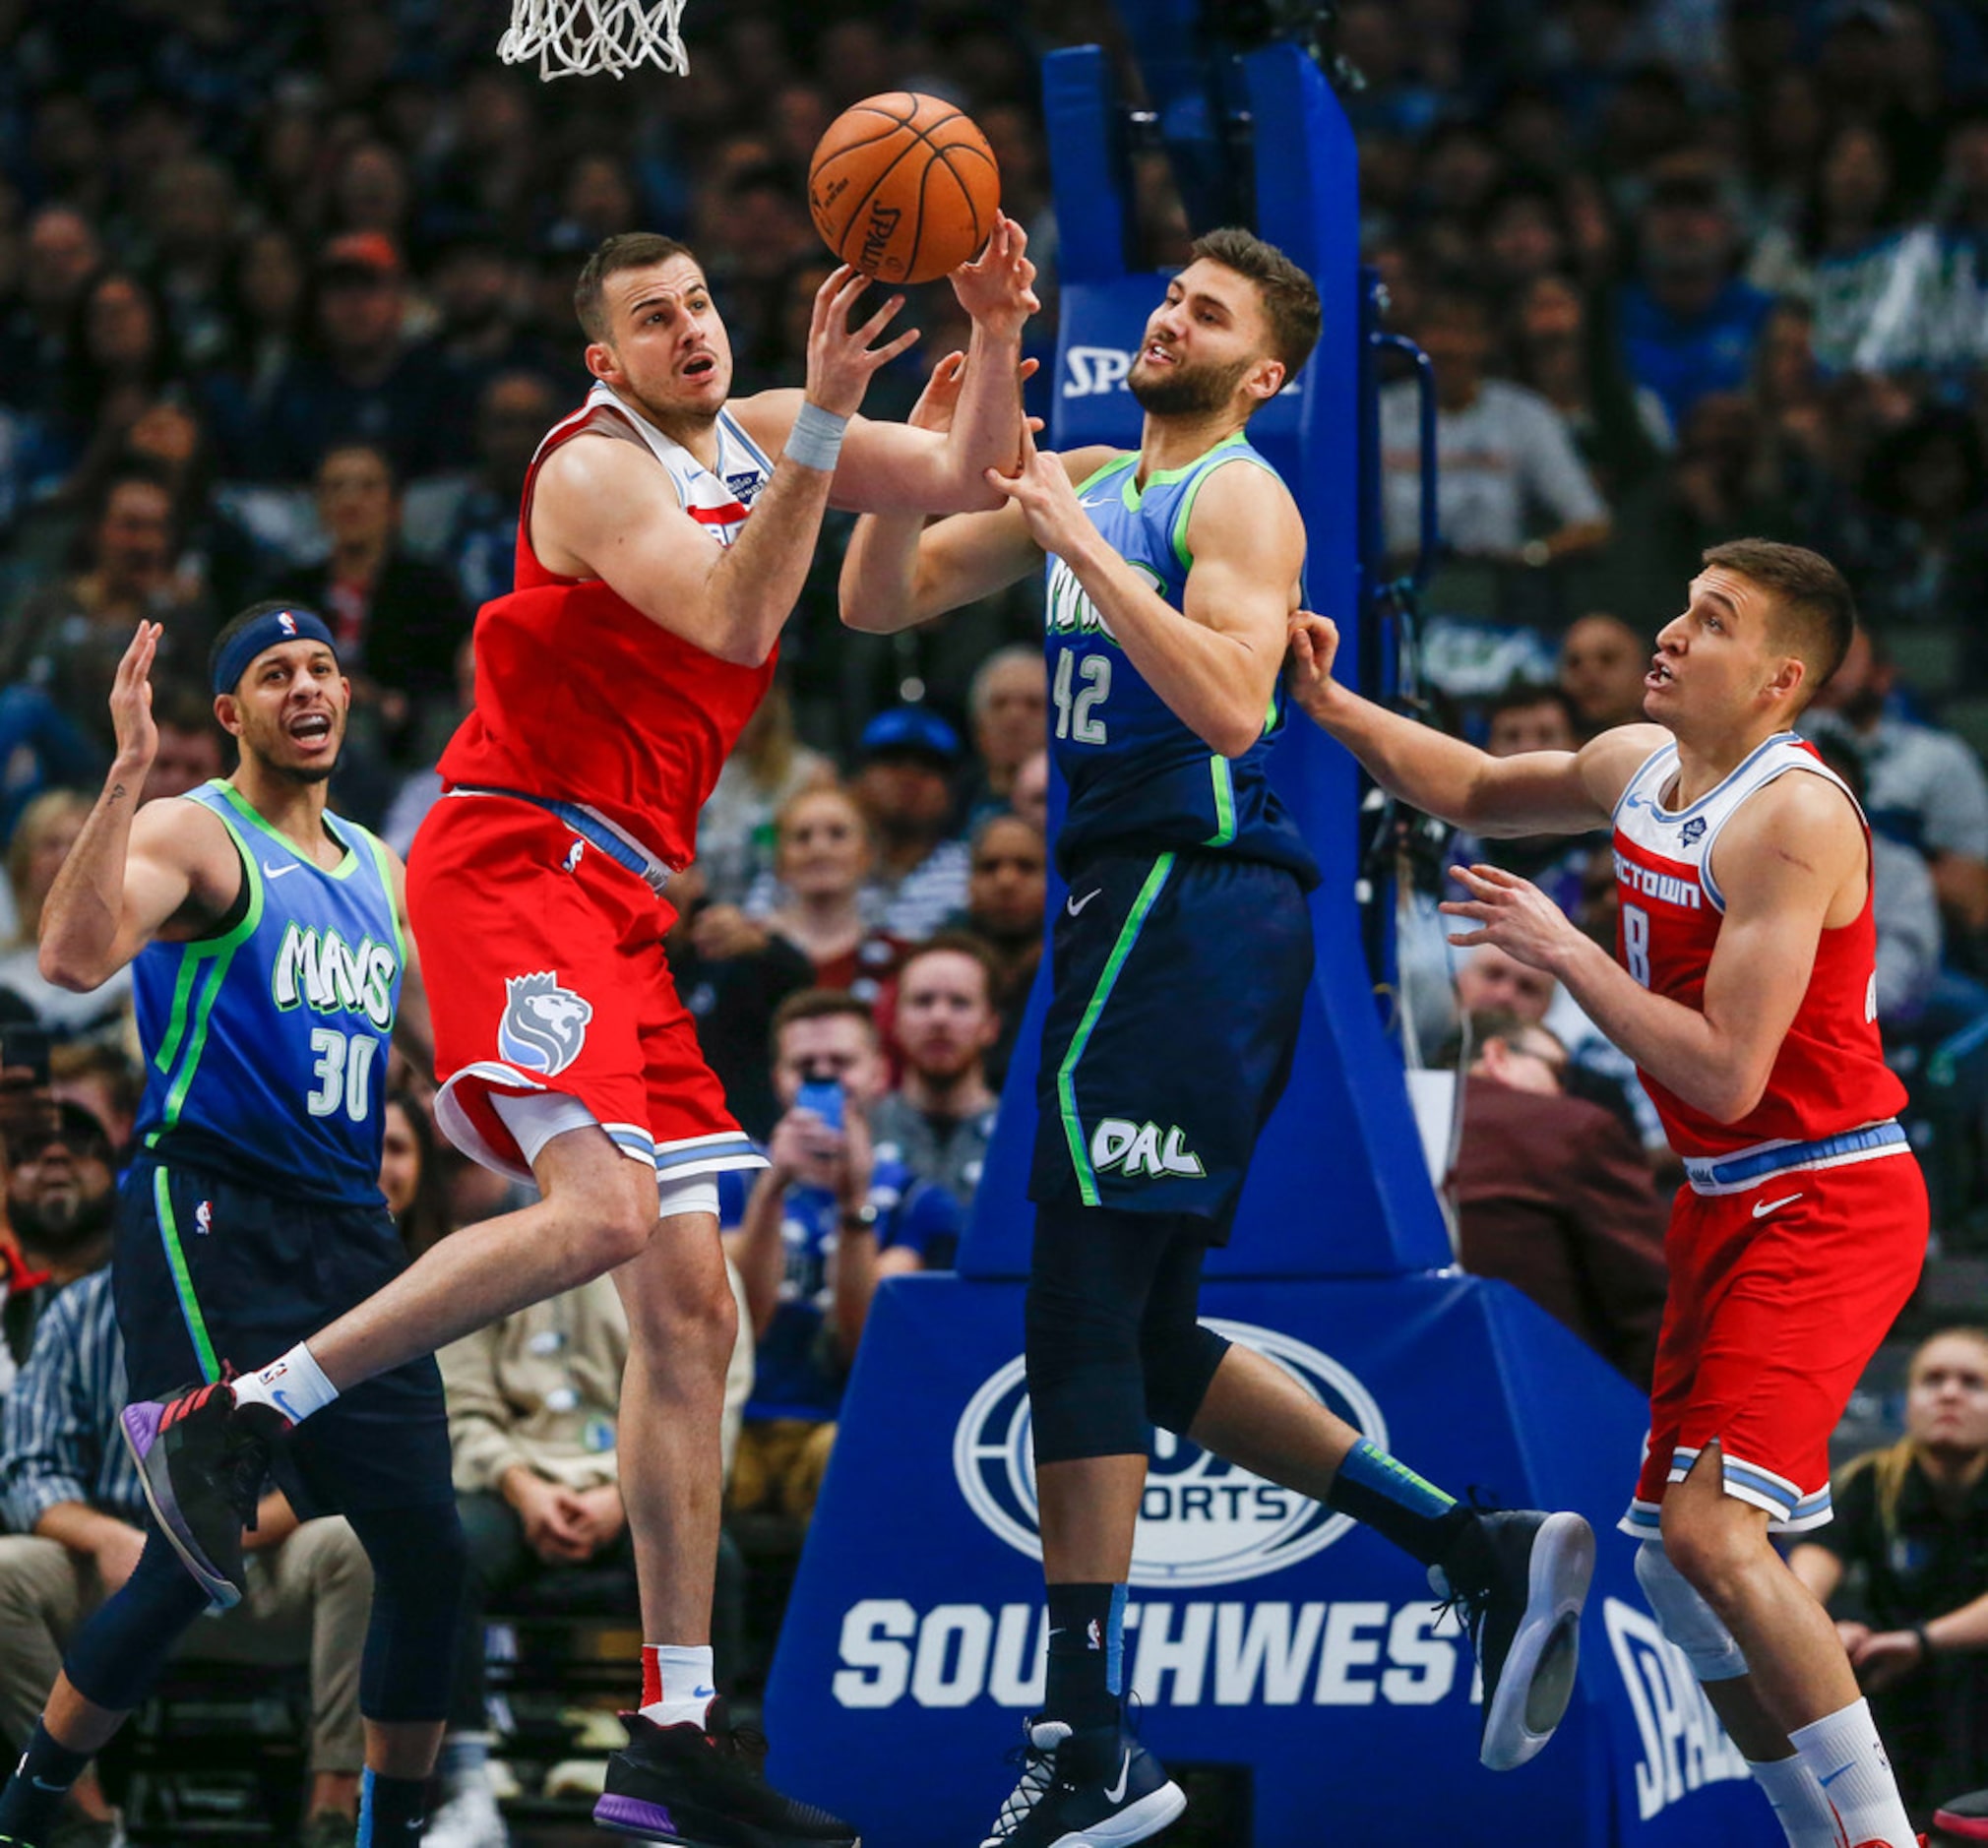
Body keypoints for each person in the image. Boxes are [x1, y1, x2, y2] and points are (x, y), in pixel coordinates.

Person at [125, 219, 1037, 1848]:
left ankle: (675, 1729)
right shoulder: (595, 470)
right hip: (511, 862)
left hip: (621, 901)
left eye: (698, 302)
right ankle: (244, 1406)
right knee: (609, 1211)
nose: (690, 331)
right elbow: (743, 622)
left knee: (691, 1309)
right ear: (603, 358)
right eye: (651, 318)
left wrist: (995, 320)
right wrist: (822, 420)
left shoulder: (760, 425)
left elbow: (975, 476)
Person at [839, 224, 1593, 1848]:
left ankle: (1090, 1731)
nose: (1171, 308)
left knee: (1075, 1309)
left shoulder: (1231, 494)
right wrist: (941, 431)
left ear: (1261, 371)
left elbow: (1239, 706)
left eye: (1209, 307)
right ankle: (1474, 1542)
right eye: (1171, 289)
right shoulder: (1094, 462)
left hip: (1191, 896)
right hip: (1130, 910)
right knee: (1145, 1331)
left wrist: (1072, 541)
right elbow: (876, 595)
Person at [1290, 536, 1930, 1848]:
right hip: (1721, 1196)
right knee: (1671, 1571)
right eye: (1683, 606)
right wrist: (1330, 702)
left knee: (1709, 1535)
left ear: (1780, 677)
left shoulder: (1792, 815)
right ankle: (1814, 1833)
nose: (1673, 632)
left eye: (1713, 619)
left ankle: (1879, 1836)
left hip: (1825, 1191)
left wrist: (1566, 950)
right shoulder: (1636, 768)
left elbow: (1732, 1072)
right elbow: (1468, 784)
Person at [0, 606, 465, 1848]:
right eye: (273, 674)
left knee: (430, 1552)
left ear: (347, 697)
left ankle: (390, 1827)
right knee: (196, 1543)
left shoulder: (380, 866)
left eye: (321, 669)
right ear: (232, 714)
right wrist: (122, 774)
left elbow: (449, 1064)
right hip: (210, 1209)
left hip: (351, 1230)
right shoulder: (192, 829)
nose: (304, 687)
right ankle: (36, 1804)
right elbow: (70, 953)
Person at [0, 1264, 378, 1848]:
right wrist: (106, 1540)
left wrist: (203, 1535)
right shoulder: (79, 1310)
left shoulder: (292, 1301)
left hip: (255, 1563)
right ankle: (84, 1819)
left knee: (353, 1544)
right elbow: (27, 1470)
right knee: (5, 1571)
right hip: (115, 1568)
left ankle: (333, 1811)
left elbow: (334, 1468)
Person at [723, 990, 960, 1522]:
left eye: (841, 1063)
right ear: (779, 1078)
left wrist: (855, 1204)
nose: (823, 1077)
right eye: (805, 1065)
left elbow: (861, 1344)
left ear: (879, 1074)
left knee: (852, 1459)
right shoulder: (729, 1185)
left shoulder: (919, 1203)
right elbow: (737, 1329)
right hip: (732, 1420)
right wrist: (773, 1190)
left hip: (843, 1425)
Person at [1786, 1328, 1988, 1832]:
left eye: (1972, 1382)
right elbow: (1798, 1589)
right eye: (1932, 1380)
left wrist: (1919, 1641)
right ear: (1908, 1401)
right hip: (1891, 1718)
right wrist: (1825, 1633)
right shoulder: (1866, 1484)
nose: (1949, 1393)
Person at [1439, 1009, 1669, 1388]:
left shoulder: (1376, 1126)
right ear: (1498, 1055)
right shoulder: (1570, 1127)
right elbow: (1654, 1297)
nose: (1562, 1093)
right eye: (1558, 1074)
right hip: (1547, 1393)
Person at [871, 931, 1003, 1207]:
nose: (939, 1018)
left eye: (959, 1003)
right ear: (895, 1021)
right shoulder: (860, 1133)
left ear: (991, 1025)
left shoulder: (1021, 1138)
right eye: (923, 1001)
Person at [955, 811, 1046, 1089]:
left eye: (1026, 866)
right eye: (989, 866)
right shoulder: (943, 966)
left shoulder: (1084, 970)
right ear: (969, 883)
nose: (1006, 880)